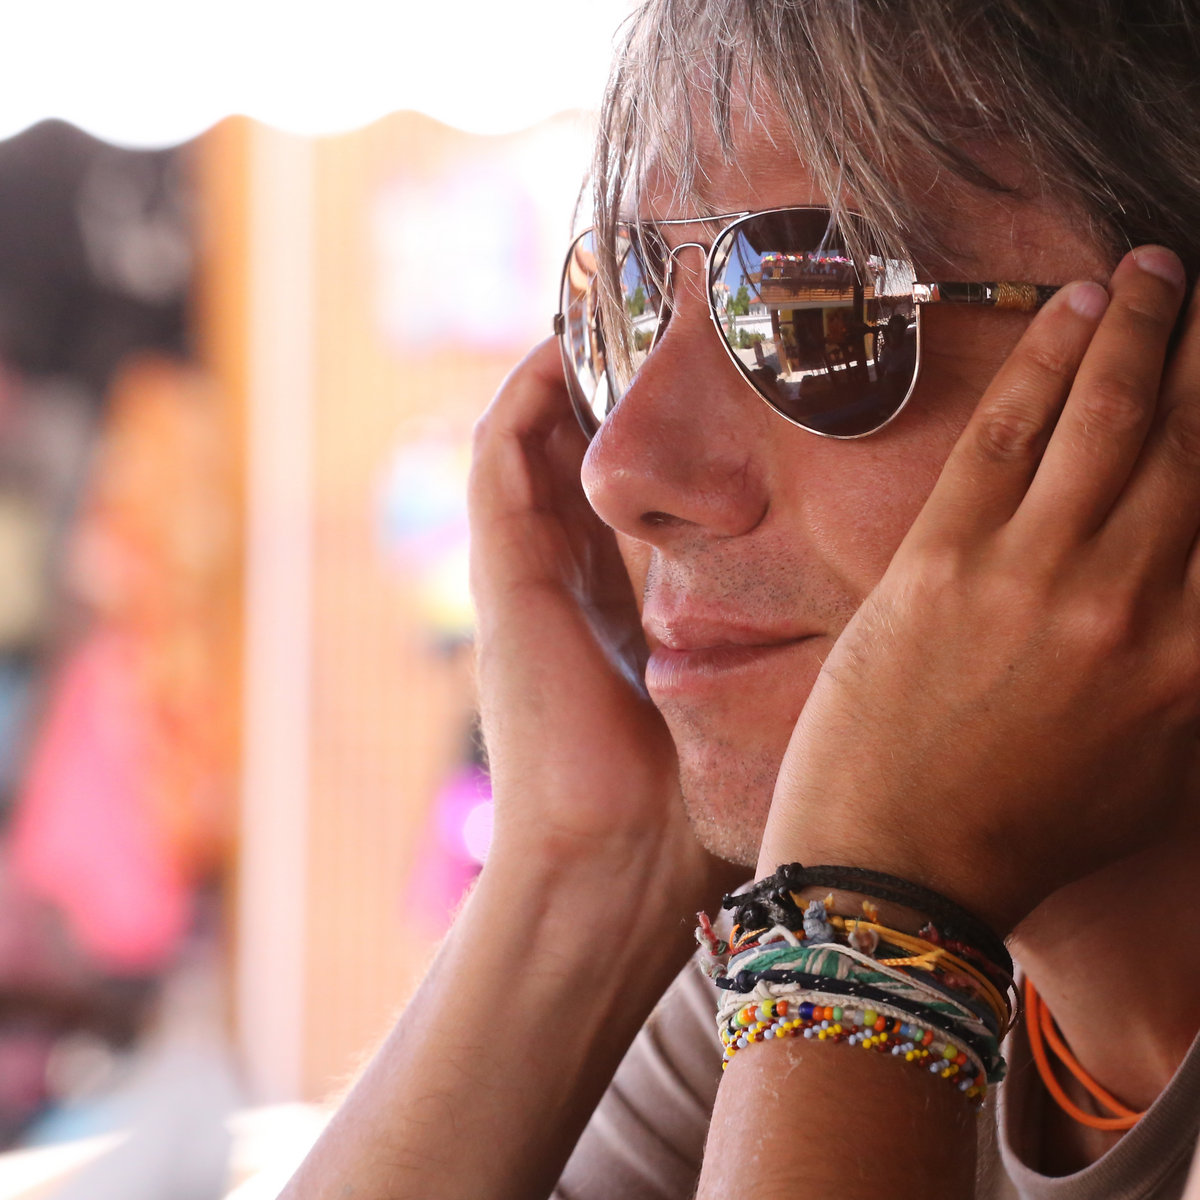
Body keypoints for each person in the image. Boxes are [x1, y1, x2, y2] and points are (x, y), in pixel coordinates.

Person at [281, 1, 1200, 1196]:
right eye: (627, 309)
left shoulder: (855, 916)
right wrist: (581, 876)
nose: (619, 468)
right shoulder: (784, 954)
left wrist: (872, 926)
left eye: (822, 307)